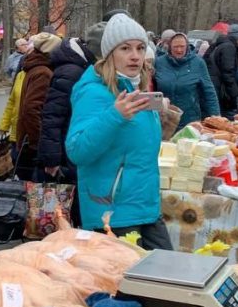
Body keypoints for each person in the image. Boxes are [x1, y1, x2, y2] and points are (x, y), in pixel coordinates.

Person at [66, 14, 171, 249]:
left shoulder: (137, 88)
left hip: (146, 206)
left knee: (168, 269)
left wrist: (162, 113)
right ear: (109, 54)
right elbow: (77, 151)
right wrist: (115, 116)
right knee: (132, 275)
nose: (135, 56)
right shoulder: (93, 92)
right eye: (125, 48)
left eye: (140, 48)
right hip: (112, 214)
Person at [39, 37, 96, 226]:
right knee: (65, 209)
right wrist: (51, 159)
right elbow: (52, 116)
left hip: (70, 148)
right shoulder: (72, 72)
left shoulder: (77, 68)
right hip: (65, 151)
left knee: (70, 208)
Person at [14, 32, 62, 181]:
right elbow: (32, 109)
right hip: (33, 144)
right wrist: (39, 141)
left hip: (28, 139)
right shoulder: (43, 72)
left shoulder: (36, 68)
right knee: (36, 187)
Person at [154, 32, 219, 129]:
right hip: (165, 119)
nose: (179, 50)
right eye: (175, 47)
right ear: (170, 47)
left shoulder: (198, 63)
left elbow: (209, 92)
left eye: (182, 46)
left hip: (190, 120)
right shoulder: (159, 62)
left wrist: (216, 117)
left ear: (187, 46)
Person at [206, 25, 238, 119]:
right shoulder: (229, 47)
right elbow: (228, 72)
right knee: (226, 118)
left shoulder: (218, 44)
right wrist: (234, 92)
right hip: (222, 90)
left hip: (215, 87)